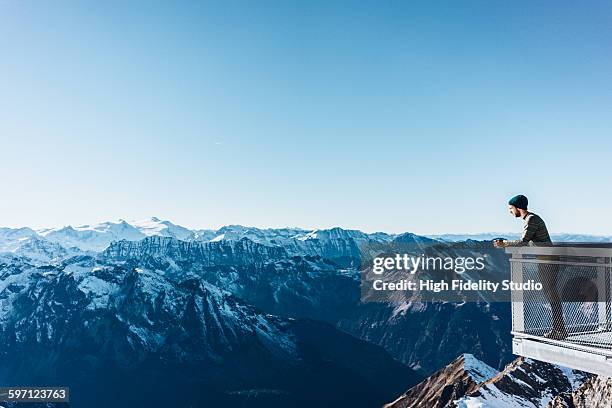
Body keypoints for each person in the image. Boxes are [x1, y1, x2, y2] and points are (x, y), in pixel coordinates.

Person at [493, 194, 567, 340]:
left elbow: (523, 242)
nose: (510, 211)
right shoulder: (530, 219)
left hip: (548, 260)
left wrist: (504, 244)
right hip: (545, 259)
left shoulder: (531, 219)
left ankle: (559, 330)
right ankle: (559, 329)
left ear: (517, 207)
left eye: (511, 208)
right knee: (550, 294)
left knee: (551, 295)